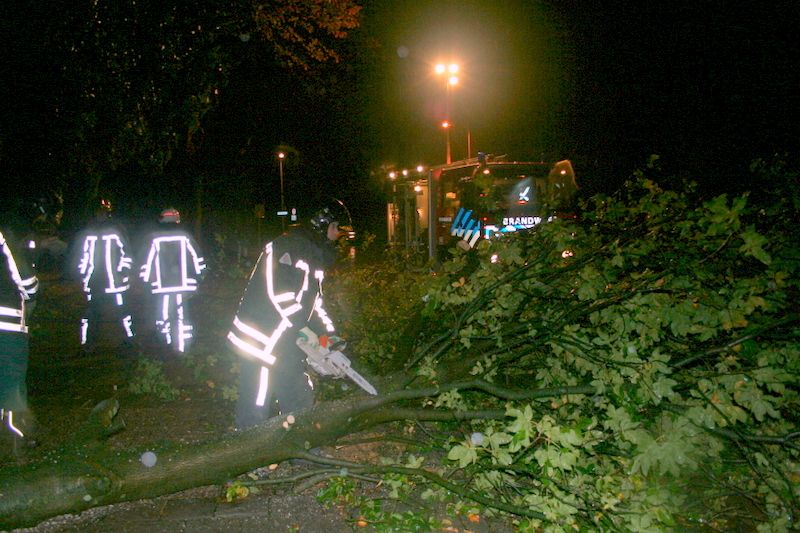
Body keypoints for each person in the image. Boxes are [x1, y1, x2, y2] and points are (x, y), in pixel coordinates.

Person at [227, 203, 349, 429]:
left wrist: (327, 335)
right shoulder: (289, 246)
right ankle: (253, 452)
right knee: (257, 396)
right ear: (323, 225)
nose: (338, 236)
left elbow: (314, 304)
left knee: (298, 390)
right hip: (260, 335)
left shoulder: (313, 256)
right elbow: (280, 292)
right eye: (336, 229)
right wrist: (302, 327)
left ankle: (301, 443)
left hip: (286, 336)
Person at [139, 207, 206, 354]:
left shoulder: (154, 238)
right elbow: (197, 258)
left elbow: (147, 261)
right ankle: (182, 348)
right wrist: (201, 275)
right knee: (181, 315)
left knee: (163, 314)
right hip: (182, 286)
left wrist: (144, 280)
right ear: (177, 219)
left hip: (162, 286)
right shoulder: (185, 236)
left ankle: (166, 343)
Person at [74, 200, 136, 353]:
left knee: (122, 313)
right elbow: (83, 256)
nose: (101, 214)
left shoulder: (116, 230)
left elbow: (127, 254)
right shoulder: (90, 232)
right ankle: (87, 344)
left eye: (103, 212)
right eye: (99, 211)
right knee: (92, 314)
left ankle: (129, 341)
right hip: (95, 282)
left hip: (115, 282)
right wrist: (83, 276)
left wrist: (123, 272)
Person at [0, 226, 39, 442]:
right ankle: (17, 431)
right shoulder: (3, 235)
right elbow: (25, 279)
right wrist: (32, 292)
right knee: (10, 373)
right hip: (7, 320)